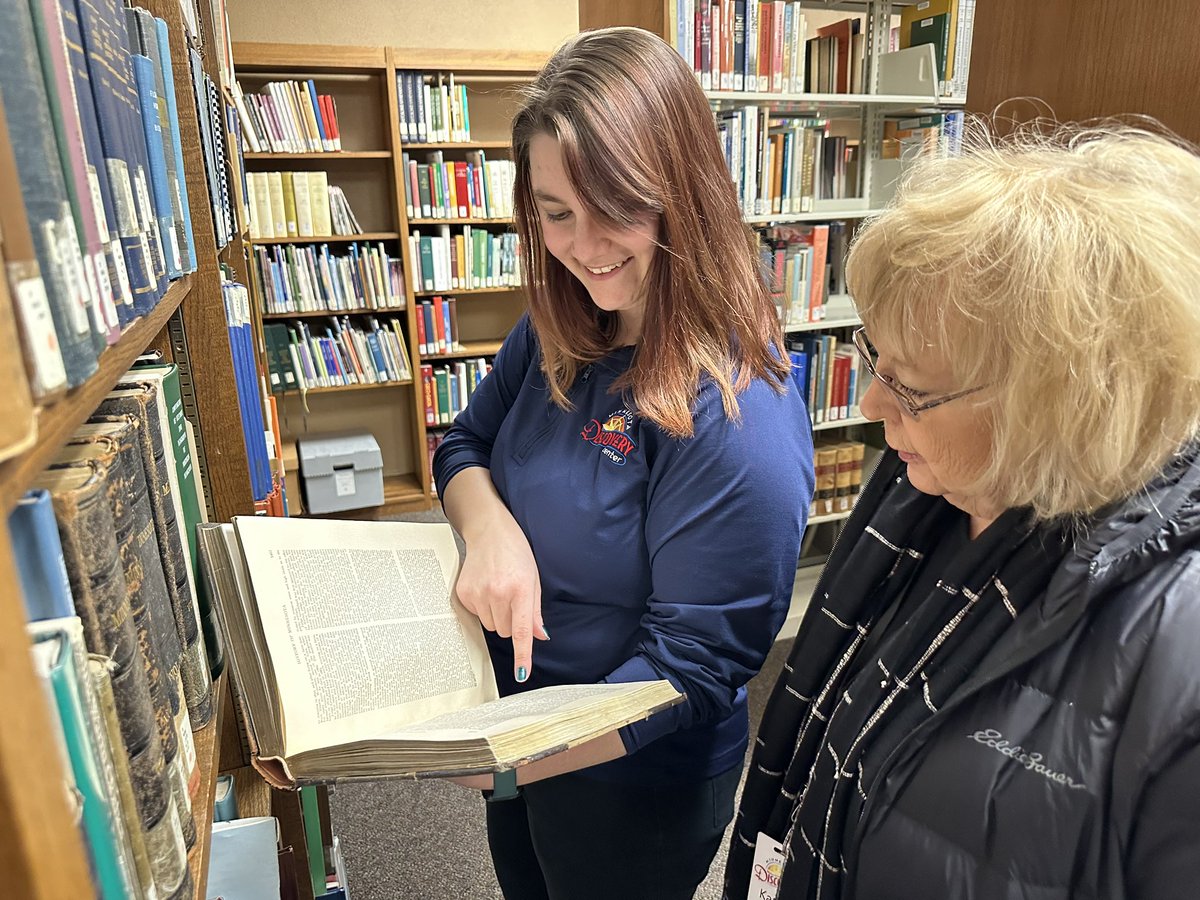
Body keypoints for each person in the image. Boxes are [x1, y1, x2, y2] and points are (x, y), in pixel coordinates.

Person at [725, 120, 1200, 900]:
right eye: (876, 359)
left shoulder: (1175, 648)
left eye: (910, 387)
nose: (874, 403)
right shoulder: (927, 492)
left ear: (1063, 407)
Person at [431, 25, 813, 900]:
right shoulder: (556, 328)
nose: (584, 245)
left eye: (614, 206)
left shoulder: (733, 410)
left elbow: (689, 669)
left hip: (635, 780)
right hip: (520, 727)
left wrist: (515, 753)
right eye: (556, 212)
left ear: (680, 191)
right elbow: (464, 445)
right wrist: (489, 529)